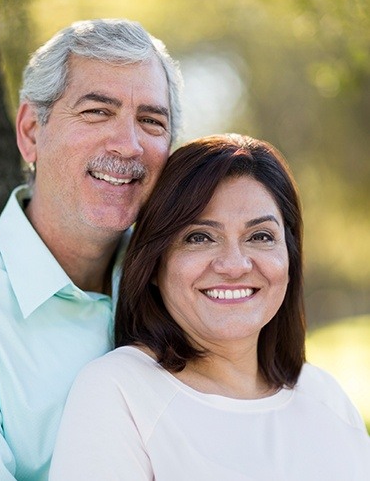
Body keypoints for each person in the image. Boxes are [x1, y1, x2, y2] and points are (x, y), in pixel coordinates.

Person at [0, 19, 183, 480]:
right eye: (96, 112)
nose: (129, 145)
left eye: (151, 121)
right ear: (30, 131)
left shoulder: (187, 287)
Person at [49, 134, 370, 481]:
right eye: (199, 237)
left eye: (260, 236)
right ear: (154, 264)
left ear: (289, 256)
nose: (234, 265)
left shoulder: (324, 395)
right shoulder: (118, 392)